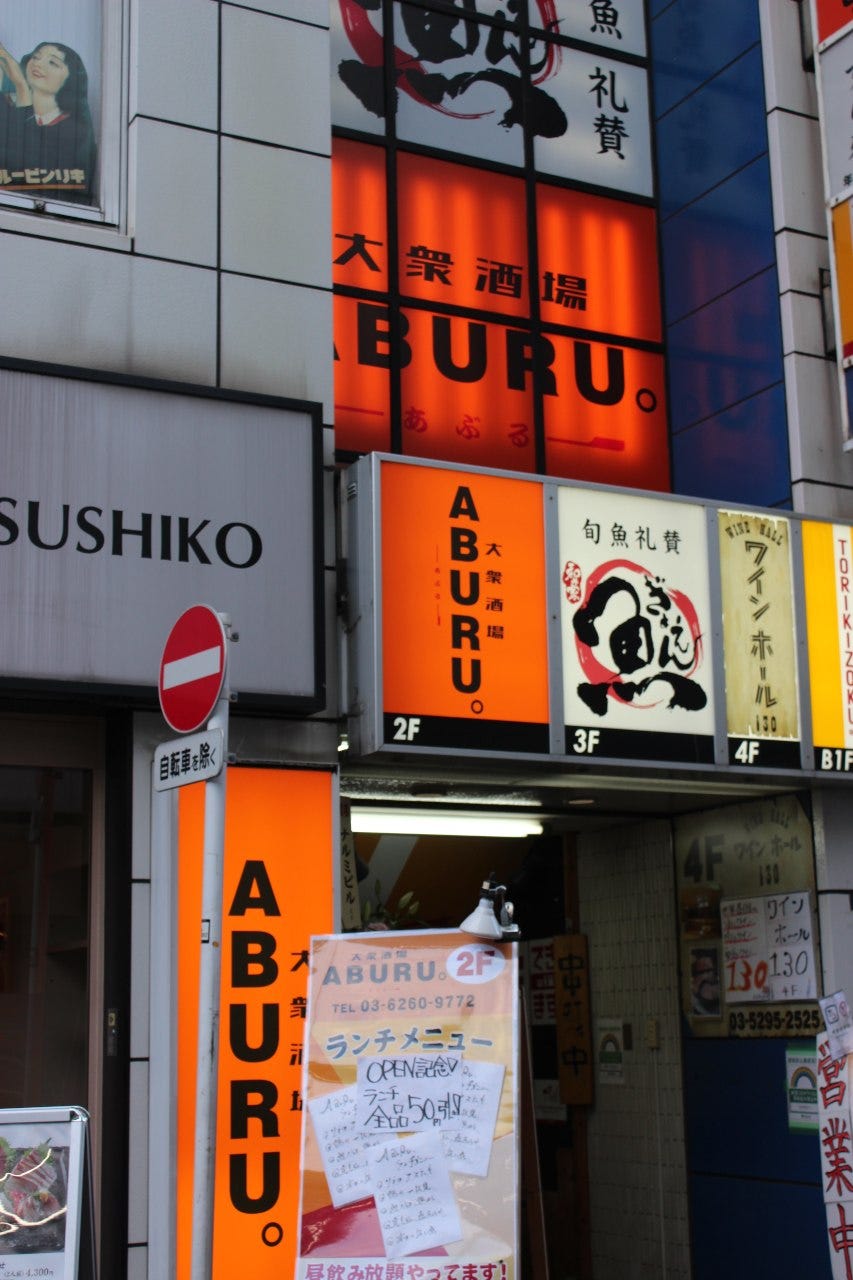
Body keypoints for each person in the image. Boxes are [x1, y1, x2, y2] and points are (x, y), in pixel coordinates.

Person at [0, 39, 96, 204]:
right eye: (36, 57)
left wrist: (22, 87)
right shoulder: (7, 110)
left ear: (71, 78)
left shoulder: (75, 133)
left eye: (53, 63)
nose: (38, 64)